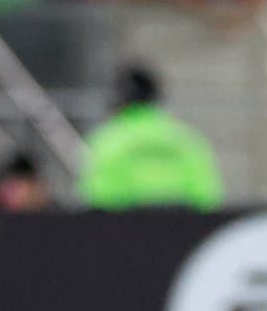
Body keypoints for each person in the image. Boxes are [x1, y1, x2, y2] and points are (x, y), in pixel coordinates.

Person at [78, 65, 223, 211]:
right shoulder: (188, 139)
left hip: (122, 229)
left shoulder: (105, 140)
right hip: (186, 229)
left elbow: (96, 197)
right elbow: (207, 197)